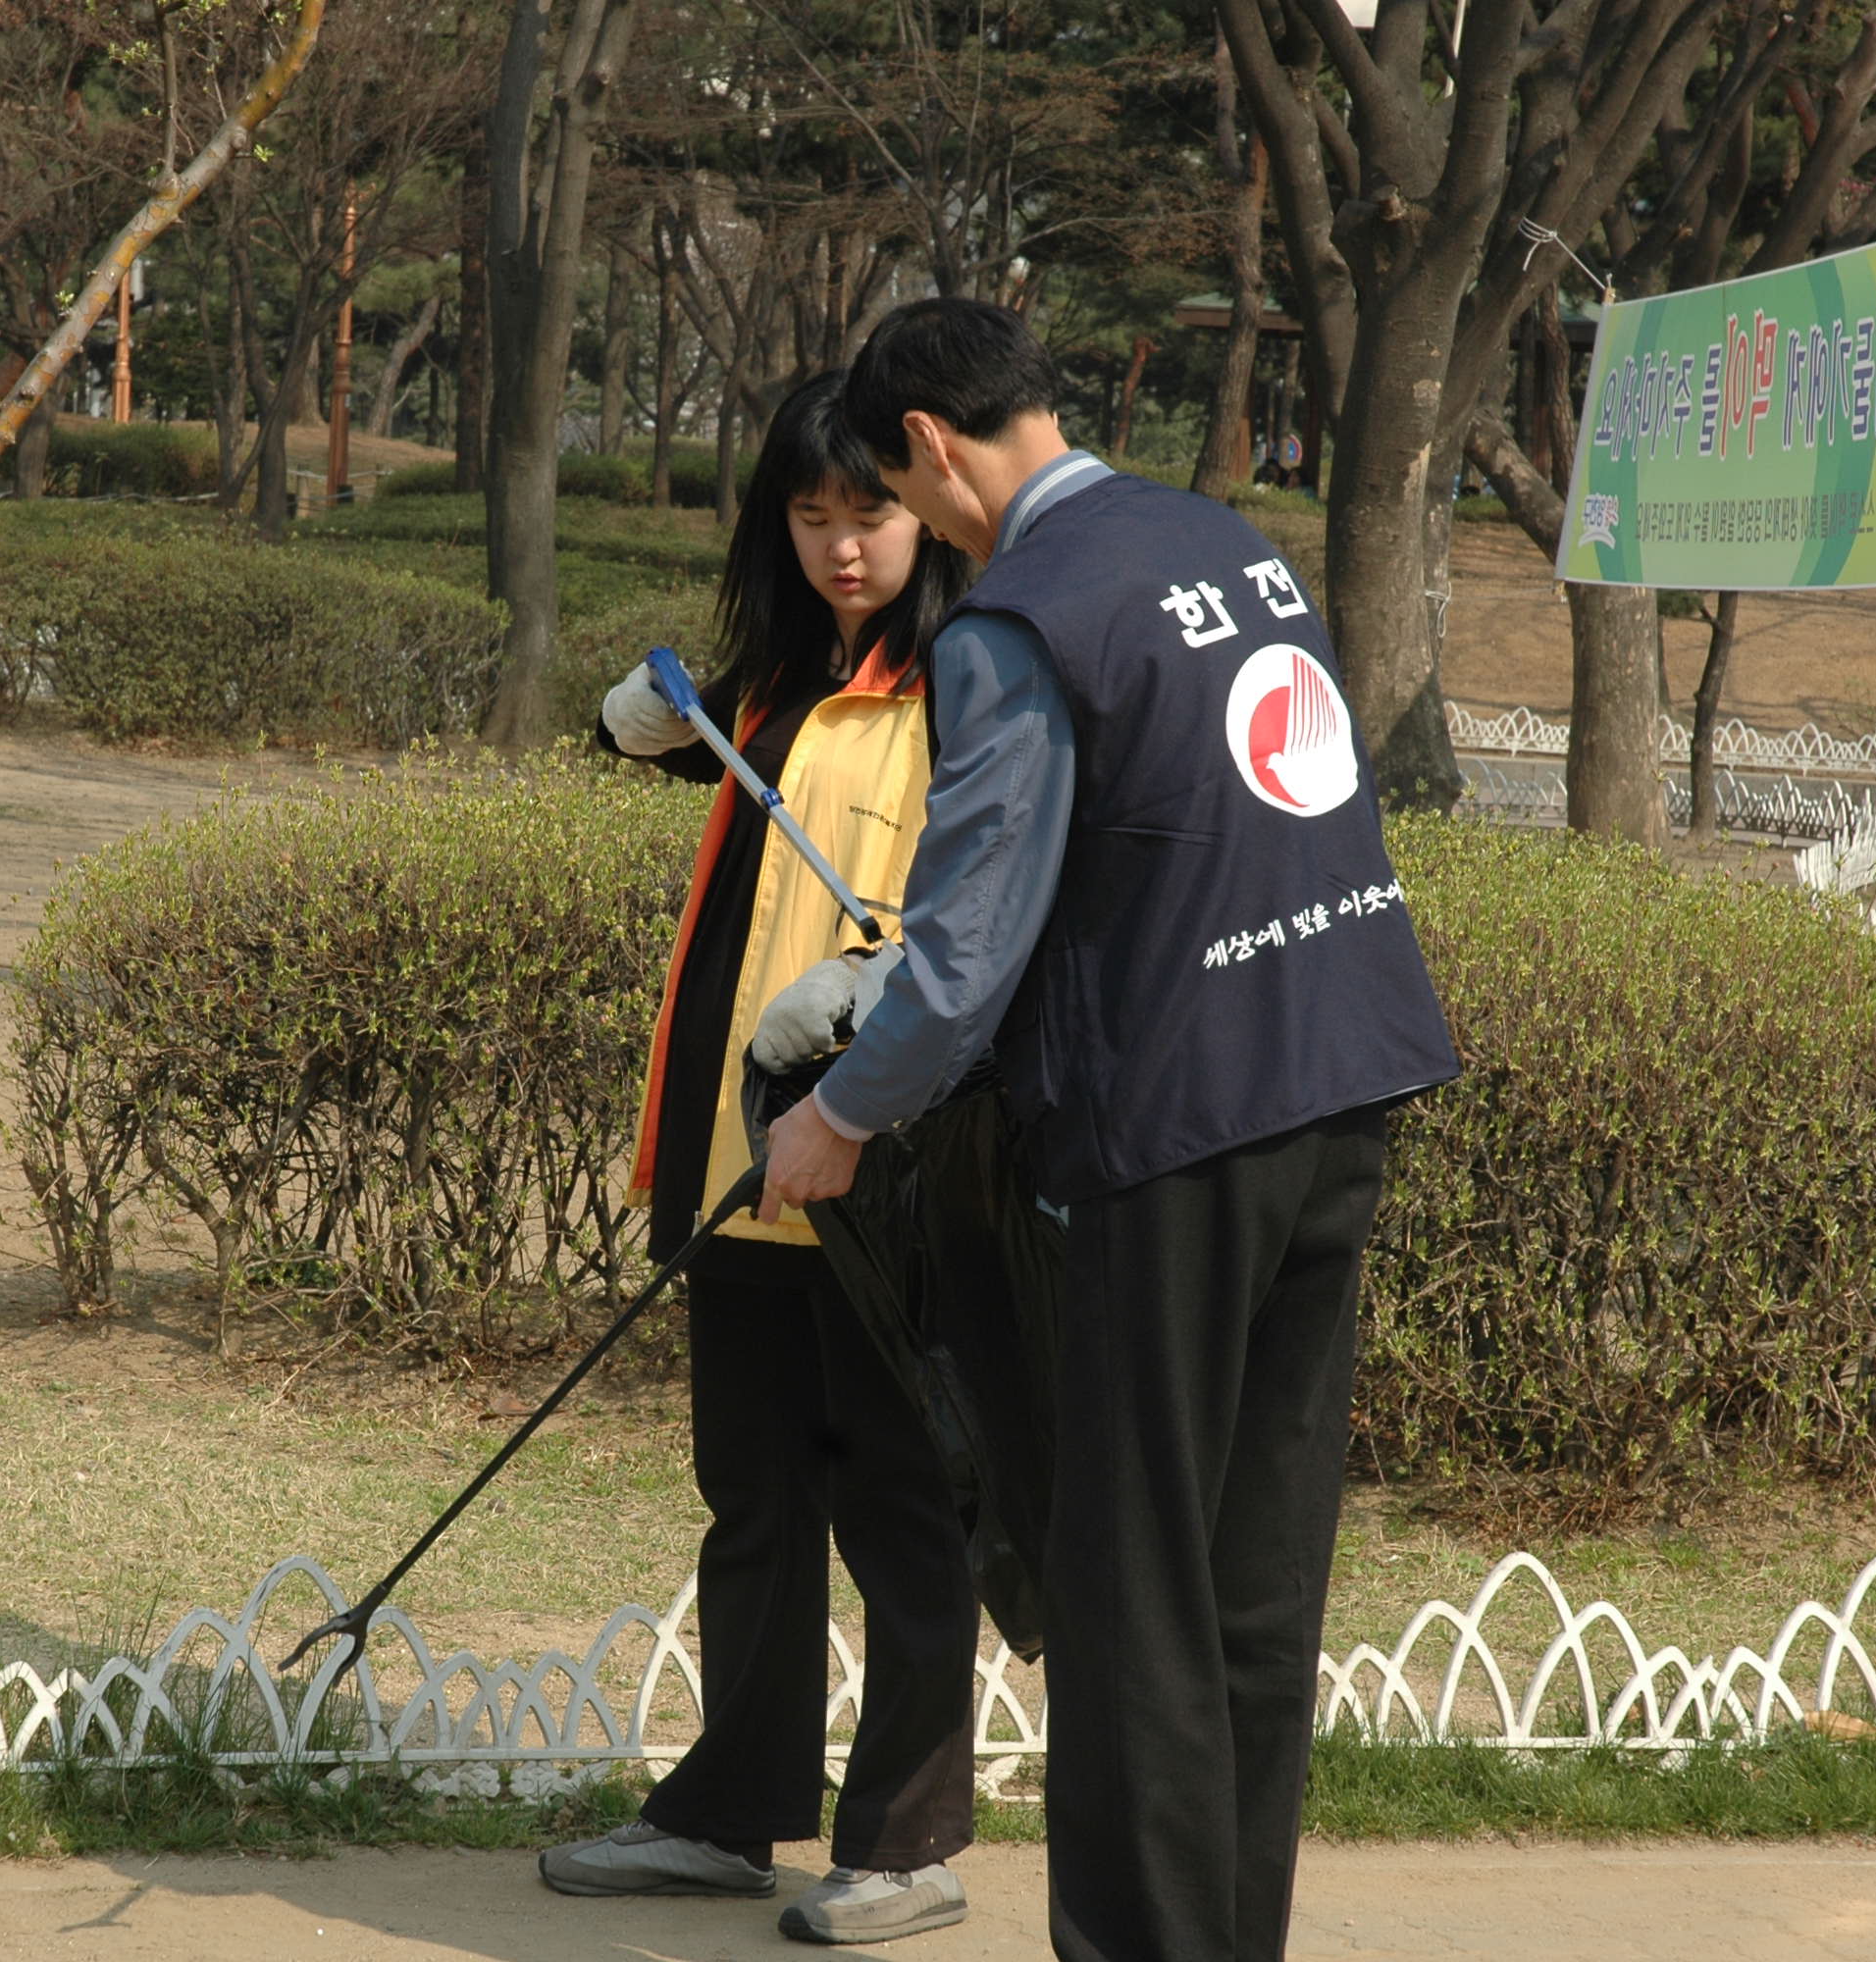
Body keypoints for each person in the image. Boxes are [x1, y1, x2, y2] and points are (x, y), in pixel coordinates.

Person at [757, 300, 1460, 1962]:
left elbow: (968, 945)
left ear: (930, 446)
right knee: (1252, 1595)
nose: (909, 528)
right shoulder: (1220, 541)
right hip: (1339, 1082)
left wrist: (840, 1120)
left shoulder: (1018, 621)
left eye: (898, 488)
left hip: (1174, 1128)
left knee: (1130, 1588)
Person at [541, 372, 986, 1946]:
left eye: (867, 513)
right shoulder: (775, 693)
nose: (841, 547)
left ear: (924, 509)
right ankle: (729, 1814)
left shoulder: (974, 689)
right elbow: (637, 742)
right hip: (739, 1166)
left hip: (885, 1171)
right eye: (809, 517)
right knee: (754, 1498)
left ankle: (910, 1837)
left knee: (903, 1506)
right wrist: (640, 716)